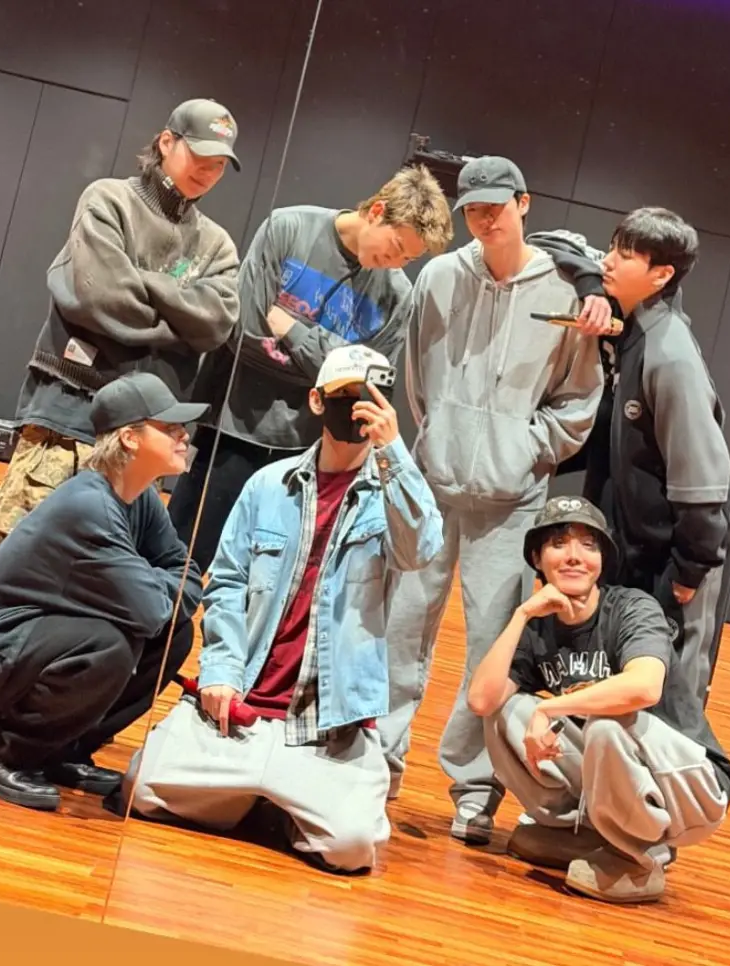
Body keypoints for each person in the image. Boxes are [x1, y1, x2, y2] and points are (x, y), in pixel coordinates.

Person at [0, 98, 244, 749]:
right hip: (67, 414)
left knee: (105, 585)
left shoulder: (216, 244)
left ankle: (31, 725)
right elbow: (99, 300)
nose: (207, 170)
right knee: (10, 560)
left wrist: (142, 291)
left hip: (143, 440)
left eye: (220, 164)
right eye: (199, 154)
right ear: (166, 142)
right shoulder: (108, 200)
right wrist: (176, 313)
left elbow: (217, 323)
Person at [123, 345, 444, 875]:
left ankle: (263, 791)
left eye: (372, 397)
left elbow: (421, 549)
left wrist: (394, 453)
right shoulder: (268, 486)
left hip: (326, 725)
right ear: (317, 401)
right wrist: (221, 672)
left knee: (350, 848)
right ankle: (268, 795)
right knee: (143, 787)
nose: (359, 408)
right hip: (247, 704)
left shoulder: (392, 493)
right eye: (347, 396)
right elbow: (227, 581)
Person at [378, 155, 605, 846]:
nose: (483, 220)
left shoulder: (565, 290)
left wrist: (523, 447)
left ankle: (475, 792)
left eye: (495, 207)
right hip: (432, 487)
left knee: (493, 648)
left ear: (523, 203)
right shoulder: (439, 277)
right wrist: (441, 439)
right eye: (472, 209)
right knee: (400, 629)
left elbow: (578, 398)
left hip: (512, 501)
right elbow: (417, 379)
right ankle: (375, 765)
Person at [0, 373, 208, 812]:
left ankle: (62, 749)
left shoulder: (140, 498)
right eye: (170, 427)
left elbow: (184, 570)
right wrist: (153, 583)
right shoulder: (89, 507)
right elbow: (156, 606)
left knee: (175, 634)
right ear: (130, 438)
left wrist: (152, 583)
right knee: (110, 643)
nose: (184, 436)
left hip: (23, 649)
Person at [168, 165, 453, 576]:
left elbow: (362, 383)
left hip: (307, 455)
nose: (395, 263)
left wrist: (290, 328)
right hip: (232, 431)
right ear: (376, 212)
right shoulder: (288, 229)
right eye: (395, 247)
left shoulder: (397, 294)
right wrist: (331, 363)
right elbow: (244, 333)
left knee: (267, 582)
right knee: (182, 565)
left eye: (408, 258)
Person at [466, 495, 730, 904]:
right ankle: (588, 835)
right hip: (629, 770)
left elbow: (643, 688)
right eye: (559, 544)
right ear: (537, 558)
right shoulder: (539, 628)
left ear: (601, 561)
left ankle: (640, 856)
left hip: (691, 786)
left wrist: (550, 707)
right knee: (505, 712)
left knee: (608, 723)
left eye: (588, 545)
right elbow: (481, 700)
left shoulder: (632, 609)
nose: (574, 556)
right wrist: (522, 615)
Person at [527, 210, 730, 712]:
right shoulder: (631, 327)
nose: (608, 261)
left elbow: (703, 485)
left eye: (625, 255)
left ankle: (678, 765)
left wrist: (689, 570)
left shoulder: (671, 355)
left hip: (684, 547)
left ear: (661, 275)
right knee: (622, 666)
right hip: (635, 539)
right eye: (611, 247)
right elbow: (546, 238)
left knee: (672, 684)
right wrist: (591, 288)